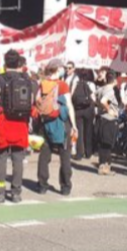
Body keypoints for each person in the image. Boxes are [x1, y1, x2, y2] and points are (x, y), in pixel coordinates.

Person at [0, 50, 35, 203]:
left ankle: (0, 192)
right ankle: (16, 192)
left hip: (4, 120)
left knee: (1, 157)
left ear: (5, 62)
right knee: (18, 158)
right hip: (20, 122)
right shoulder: (26, 79)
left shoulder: (1, 78)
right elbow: (31, 100)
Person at [35, 60, 77, 195]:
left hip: (45, 123)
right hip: (61, 123)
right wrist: (74, 125)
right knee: (65, 156)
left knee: (44, 155)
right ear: (58, 70)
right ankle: (65, 186)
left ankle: (42, 185)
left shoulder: (42, 84)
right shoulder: (62, 85)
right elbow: (69, 105)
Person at [96, 70, 120, 176]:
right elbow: (103, 101)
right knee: (107, 144)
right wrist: (109, 109)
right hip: (109, 119)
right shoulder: (110, 91)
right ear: (115, 80)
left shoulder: (102, 88)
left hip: (101, 118)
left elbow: (93, 96)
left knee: (102, 143)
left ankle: (102, 165)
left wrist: (99, 106)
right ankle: (105, 167)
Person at [71, 69, 95, 161]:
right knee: (88, 131)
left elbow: (72, 95)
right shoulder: (91, 84)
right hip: (88, 110)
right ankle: (88, 152)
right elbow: (93, 98)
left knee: (79, 132)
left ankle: (79, 153)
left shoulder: (76, 84)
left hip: (78, 110)